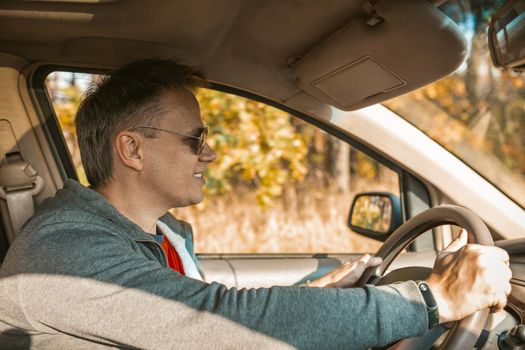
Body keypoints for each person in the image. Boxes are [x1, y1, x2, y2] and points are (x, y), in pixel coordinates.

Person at [0, 59, 512, 349]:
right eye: (195, 138)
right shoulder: (66, 249)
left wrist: (318, 293)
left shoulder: (161, 235)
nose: (211, 152)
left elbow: (190, 313)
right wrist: (430, 300)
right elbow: (213, 321)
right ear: (132, 148)